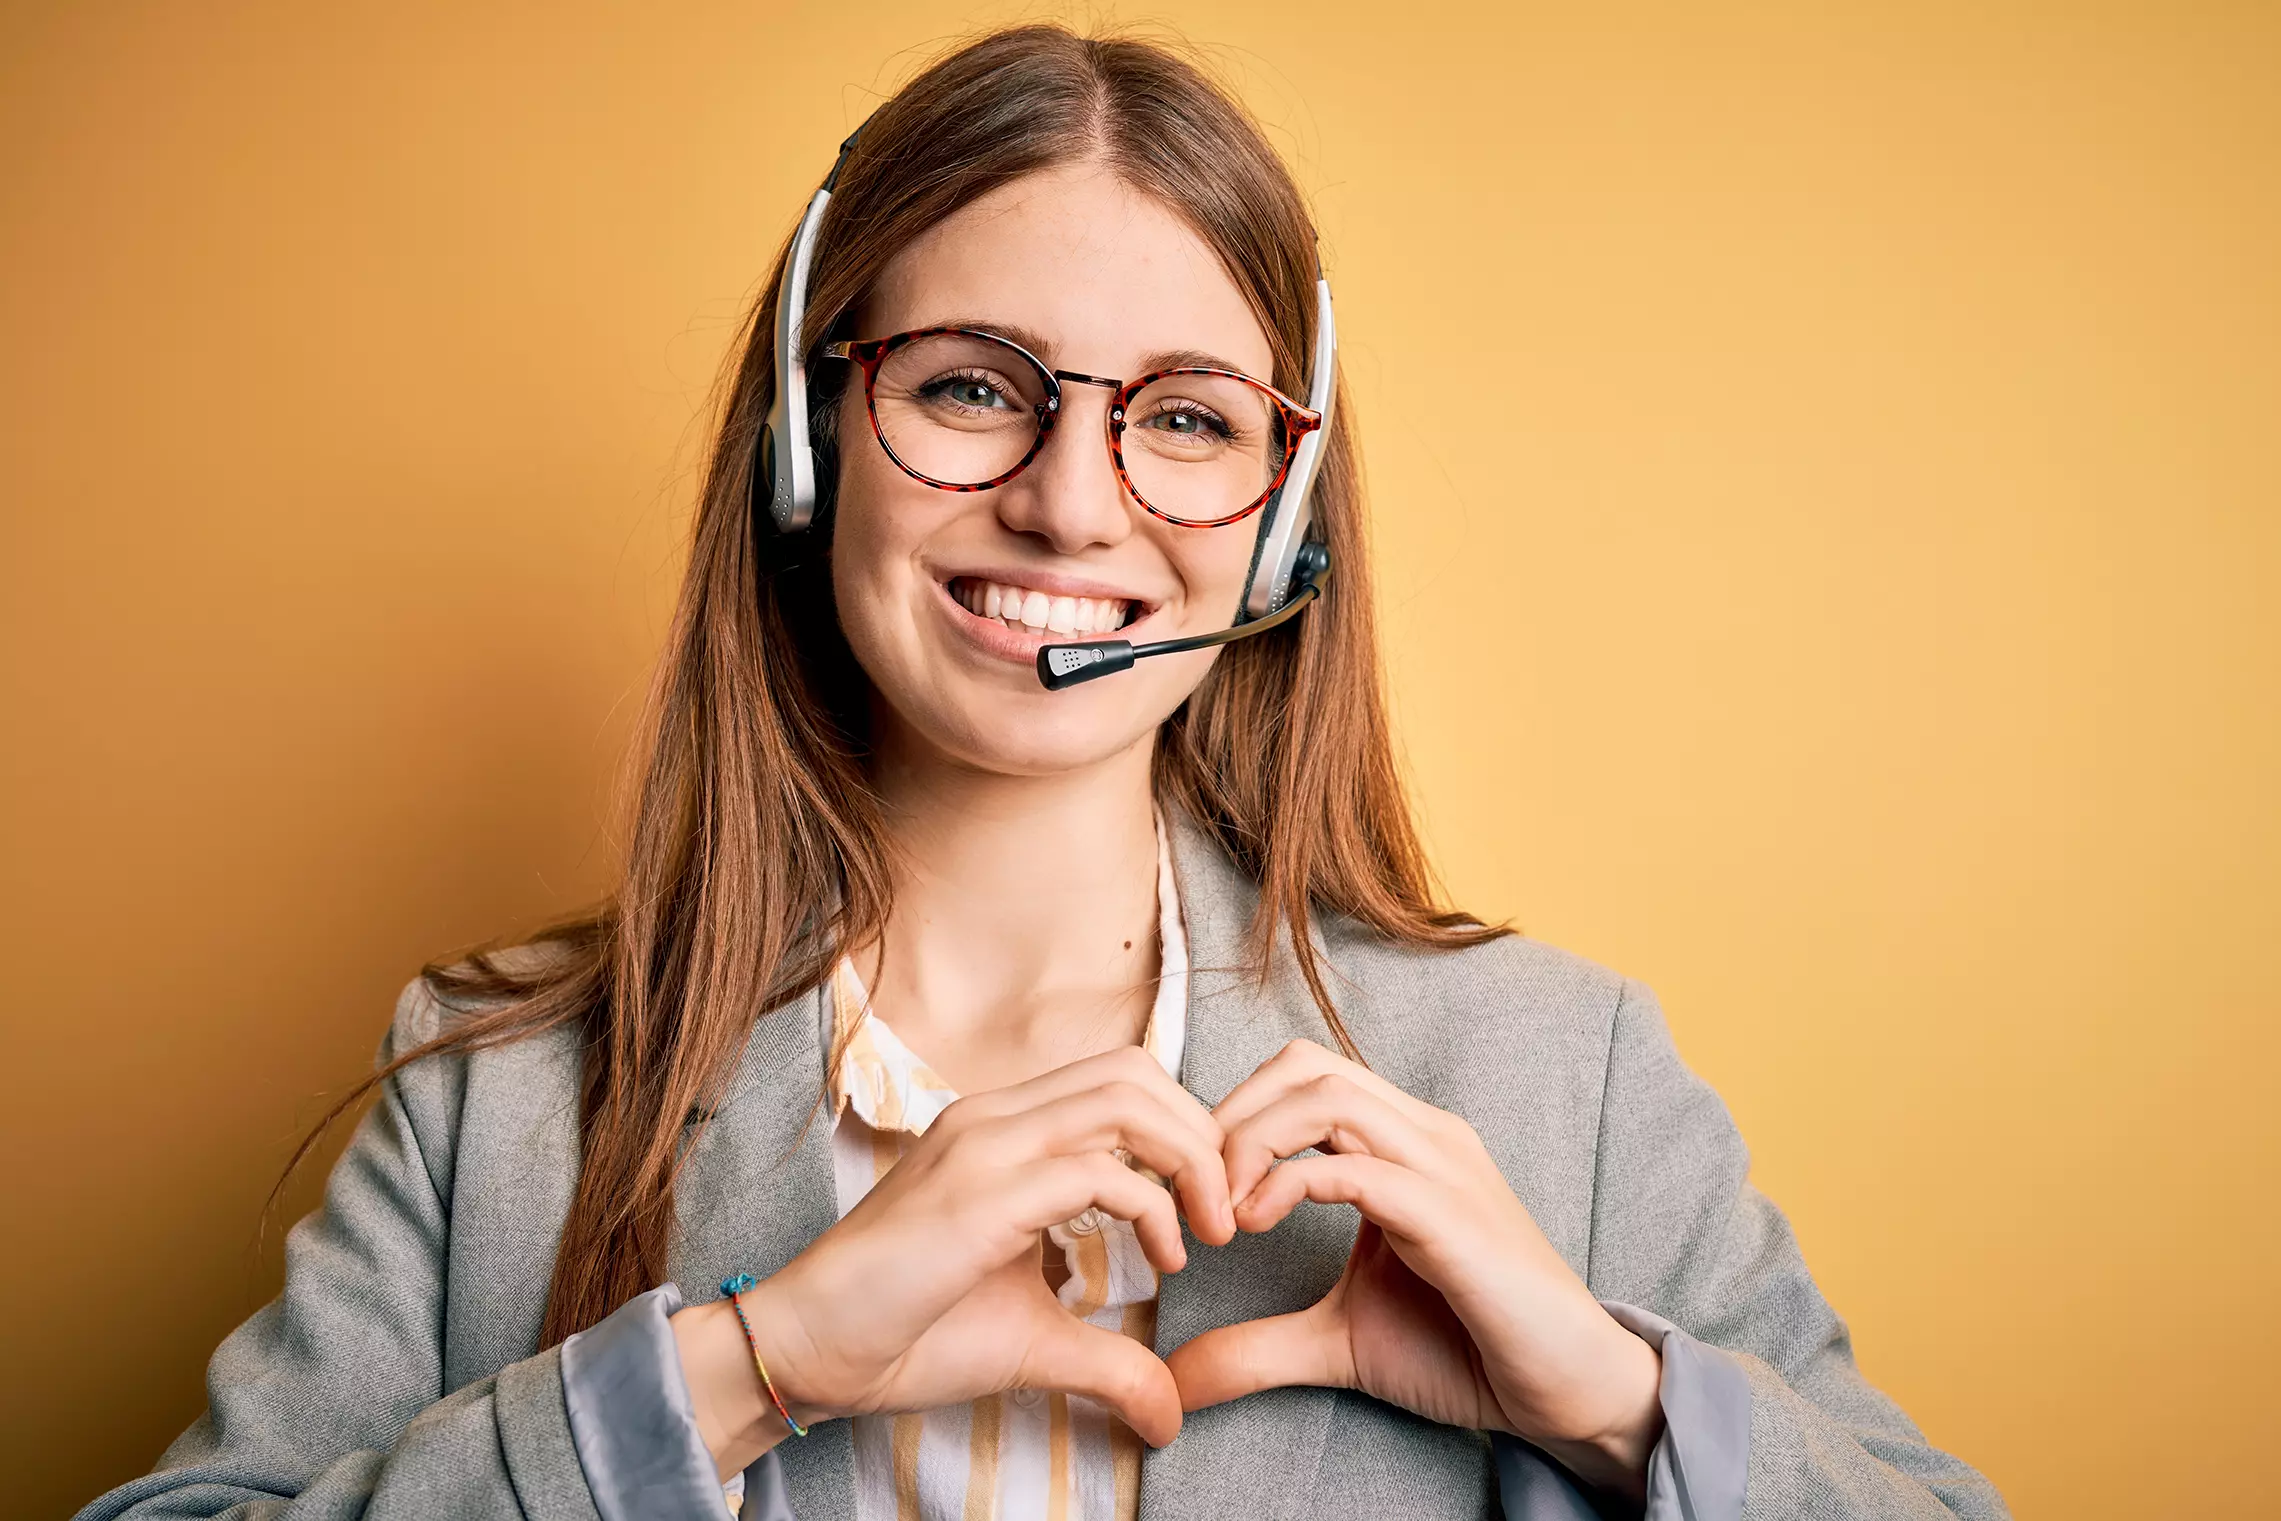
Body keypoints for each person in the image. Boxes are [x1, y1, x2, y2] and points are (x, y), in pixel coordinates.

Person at [78, 23, 2008, 1521]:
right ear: (805, 443)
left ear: (1279, 525)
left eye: (1185, 419)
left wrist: (1614, 1403)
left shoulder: (1559, 1081)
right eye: (972, 385)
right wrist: (742, 1366)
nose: (1071, 503)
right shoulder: (498, 1093)